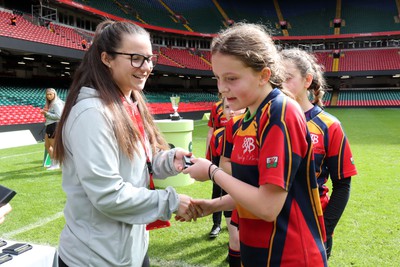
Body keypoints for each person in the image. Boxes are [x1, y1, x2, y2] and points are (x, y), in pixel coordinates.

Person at [182, 22, 328, 266]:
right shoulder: (248, 117)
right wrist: (213, 205)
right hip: (259, 252)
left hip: (289, 255)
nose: (222, 88)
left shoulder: (281, 112)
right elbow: (256, 190)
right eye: (217, 78)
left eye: (231, 78)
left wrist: (211, 171)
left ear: (264, 75)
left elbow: (268, 206)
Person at [53, 20, 195, 267]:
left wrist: (168, 161)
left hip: (131, 252)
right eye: (136, 58)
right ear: (106, 58)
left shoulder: (127, 103)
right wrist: (170, 201)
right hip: (93, 259)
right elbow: (108, 194)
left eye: (149, 59)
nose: (147, 67)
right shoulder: (92, 114)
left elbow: (136, 166)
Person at [281, 47, 357, 259]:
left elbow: (343, 184)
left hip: (313, 225)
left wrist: (325, 228)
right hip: (273, 225)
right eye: (277, 78)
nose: (281, 85)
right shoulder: (267, 122)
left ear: (307, 81)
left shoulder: (329, 126)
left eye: (287, 78)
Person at [206, 97, 245, 266]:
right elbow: (218, 165)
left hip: (250, 195)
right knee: (234, 237)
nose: (231, 111)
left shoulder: (253, 130)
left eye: (235, 107)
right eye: (227, 108)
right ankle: (218, 227)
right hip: (228, 191)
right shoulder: (218, 135)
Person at [205, 93, 227, 238]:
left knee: (235, 188)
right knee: (217, 188)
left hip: (236, 153)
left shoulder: (243, 103)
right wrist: (207, 154)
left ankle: (235, 225)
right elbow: (211, 131)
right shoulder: (216, 107)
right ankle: (216, 224)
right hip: (218, 152)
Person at [40, 88, 64, 170]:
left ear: (54, 94)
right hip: (49, 125)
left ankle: (56, 164)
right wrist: (46, 113)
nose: (49, 96)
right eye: (48, 94)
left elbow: (59, 116)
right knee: (47, 145)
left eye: (51, 94)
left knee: (54, 146)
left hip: (54, 125)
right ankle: (53, 163)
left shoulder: (56, 103)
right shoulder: (49, 104)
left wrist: (46, 113)